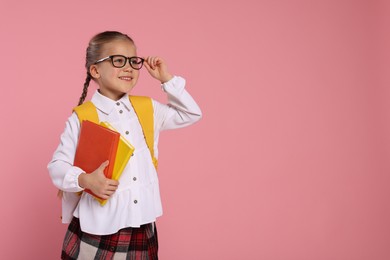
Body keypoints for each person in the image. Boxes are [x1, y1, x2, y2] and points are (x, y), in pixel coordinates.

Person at [48, 31, 202, 259]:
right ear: (95, 70)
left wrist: (166, 79)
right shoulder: (82, 117)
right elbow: (57, 166)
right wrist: (85, 180)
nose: (128, 67)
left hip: (142, 222)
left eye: (133, 61)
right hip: (98, 227)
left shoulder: (147, 108)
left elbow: (191, 113)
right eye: (118, 60)